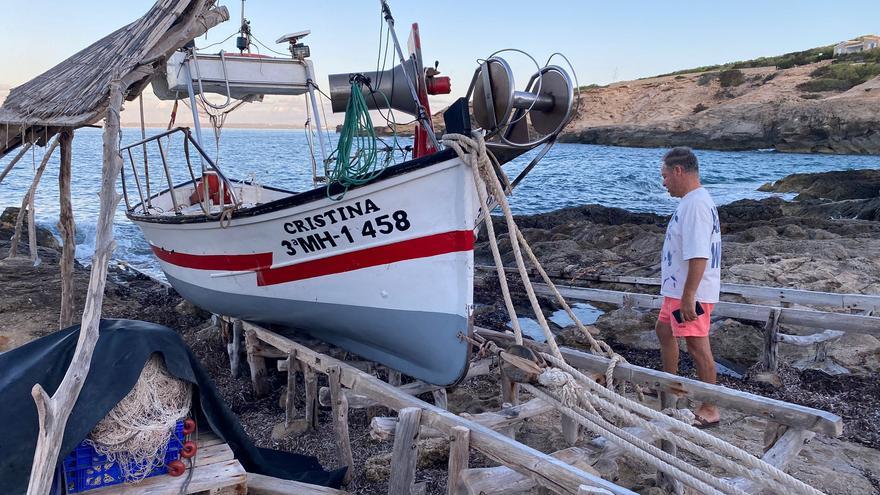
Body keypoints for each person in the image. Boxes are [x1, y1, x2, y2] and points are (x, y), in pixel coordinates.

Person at [655, 147, 722, 428]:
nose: (664, 182)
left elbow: (699, 255)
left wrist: (689, 296)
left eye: (666, 176)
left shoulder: (695, 205)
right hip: (678, 290)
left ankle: (711, 406)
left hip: (690, 292)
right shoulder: (693, 201)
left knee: (697, 347)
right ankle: (672, 386)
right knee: (663, 330)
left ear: (679, 171)